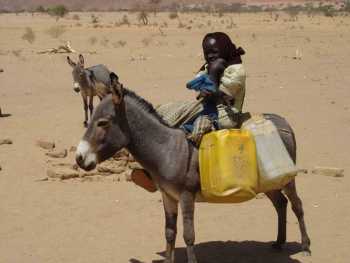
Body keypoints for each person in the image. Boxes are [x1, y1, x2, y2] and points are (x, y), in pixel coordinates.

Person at [184, 32, 247, 146]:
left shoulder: (236, 71)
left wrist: (213, 73)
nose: (210, 56)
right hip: (206, 108)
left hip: (225, 116)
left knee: (198, 127)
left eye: (214, 52)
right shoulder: (209, 66)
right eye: (206, 53)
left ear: (224, 49)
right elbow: (198, 86)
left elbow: (214, 96)